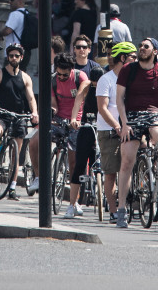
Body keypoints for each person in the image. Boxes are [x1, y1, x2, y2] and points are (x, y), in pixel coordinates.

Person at [114, 38, 158, 228]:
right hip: (131, 116)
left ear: (155, 51)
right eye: (141, 46)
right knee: (127, 161)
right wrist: (124, 123)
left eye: (146, 46)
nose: (142, 49)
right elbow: (119, 98)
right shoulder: (128, 70)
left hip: (152, 114)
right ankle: (121, 208)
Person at [27, 52, 89, 194]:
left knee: (73, 161)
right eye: (58, 74)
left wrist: (75, 120)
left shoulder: (81, 77)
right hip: (58, 119)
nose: (61, 77)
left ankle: (75, 197)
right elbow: (54, 103)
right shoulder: (53, 80)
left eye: (64, 75)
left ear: (71, 70)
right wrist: (51, 112)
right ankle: (38, 177)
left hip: (76, 120)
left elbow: (79, 102)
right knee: (34, 142)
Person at [0, 43, 39, 200]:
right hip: (2, 115)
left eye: (16, 56)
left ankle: (12, 188)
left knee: (16, 154)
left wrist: (34, 112)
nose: (13, 58)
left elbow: (30, 98)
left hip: (19, 116)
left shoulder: (25, 77)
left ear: (21, 57)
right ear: (7, 57)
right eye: (11, 56)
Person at [96, 41, 137, 222]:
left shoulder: (134, 78)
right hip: (110, 130)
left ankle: (130, 205)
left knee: (128, 168)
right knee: (111, 172)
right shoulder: (107, 79)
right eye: (132, 57)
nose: (136, 59)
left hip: (130, 128)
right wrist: (117, 126)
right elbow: (103, 108)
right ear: (122, 58)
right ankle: (114, 211)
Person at [63, 63, 104, 218]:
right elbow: (78, 101)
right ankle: (72, 204)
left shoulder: (106, 84)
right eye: (94, 82)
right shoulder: (86, 86)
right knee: (80, 164)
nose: (96, 84)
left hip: (103, 126)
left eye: (97, 81)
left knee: (103, 162)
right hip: (87, 125)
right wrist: (74, 118)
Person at [0, 0, 30, 70]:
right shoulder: (27, 13)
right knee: (21, 76)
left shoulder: (15, 14)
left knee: (7, 76)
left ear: (20, 1)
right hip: (25, 51)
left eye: (12, 0)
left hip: (13, 52)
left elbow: (8, 31)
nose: (10, 2)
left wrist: (0, 34)